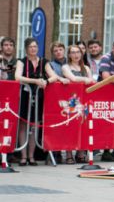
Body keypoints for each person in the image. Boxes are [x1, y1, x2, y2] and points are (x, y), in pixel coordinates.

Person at [15, 38, 67, 166]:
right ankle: (23, 156)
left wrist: (46, 81)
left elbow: (54, 76)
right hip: (25, 95)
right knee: (23, 124)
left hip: (39, 95)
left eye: (35, 47)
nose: (33, 49)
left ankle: (31, 156)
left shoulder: (44, 61)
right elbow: (17, 77)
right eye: (31, 47)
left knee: (35, 125)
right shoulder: (22, 61)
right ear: (26, 48)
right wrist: (35, 81)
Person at [62, 45, 95, 164]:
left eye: (78, 52)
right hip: (72, 99)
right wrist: (85, 80)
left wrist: (87, 80)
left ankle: (81, 153)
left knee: (84, 125)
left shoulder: (86, 67)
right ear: (69, 55)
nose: (76, 55)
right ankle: (69, 153)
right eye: (73, 52)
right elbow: (72, 78)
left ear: (81, 54)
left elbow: (91, 81)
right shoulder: (65, 67)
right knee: (70, 126)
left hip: (85, 99)